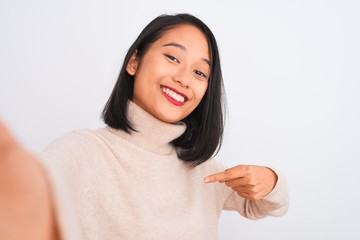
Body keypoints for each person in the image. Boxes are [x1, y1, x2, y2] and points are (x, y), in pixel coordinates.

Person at [2, 13, 289, 240]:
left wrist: (271, 180)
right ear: (134, 61)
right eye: (172, 57)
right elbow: (22, 213)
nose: (184, 78)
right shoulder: (84, 152)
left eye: (200, 72)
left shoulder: (203, 170)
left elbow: (264, 205)